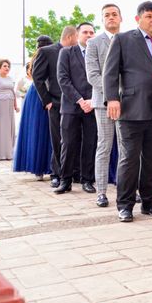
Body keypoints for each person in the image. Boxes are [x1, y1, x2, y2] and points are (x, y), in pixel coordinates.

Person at [103, 1, 152, 223]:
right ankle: (125, 205)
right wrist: (112, 99)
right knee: (129, 159)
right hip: (131, 110)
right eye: (149, 16)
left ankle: (149, 203)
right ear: (139, 19)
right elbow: (110, 73)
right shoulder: (123, 40)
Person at [86, 4, 122, 207]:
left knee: (127, 149)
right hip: (103, 103)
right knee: (104, 147)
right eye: (106, 15)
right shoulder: (94, 43)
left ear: (120, 18)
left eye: (114, 14)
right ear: (102, 20)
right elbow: (92, 75)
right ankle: (101, 192)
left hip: (128, 103)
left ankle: (126, 190)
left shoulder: (129, 40)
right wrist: (112, 95)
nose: (111, 18)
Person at [55, 22, 97, 194]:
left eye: (92, 32)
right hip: (71, 106)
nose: (88, 35)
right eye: (85, 32)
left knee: (90, 143)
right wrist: (80, 100)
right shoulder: (66, 53)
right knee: (68, 143)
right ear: (78, 35)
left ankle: (87, 180)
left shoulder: (98, 54)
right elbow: (63, 80)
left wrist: (92, 101)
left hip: (93, 105)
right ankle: (65, 180)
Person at [32, 27, 77, 188]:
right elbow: (37, 78)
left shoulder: (77, 52)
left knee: (73, 139)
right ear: (71, 37)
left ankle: (72, 173)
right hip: (56, 102)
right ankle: (56, 174)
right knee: (58, 139)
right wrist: (47, 100)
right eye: (77, 37)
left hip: (76, 103)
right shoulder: (47, 51)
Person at [13, 35, 54, 179]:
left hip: (33, 94)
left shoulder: (34, 58)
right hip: (42, 94)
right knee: (43, 130)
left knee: (36, 129)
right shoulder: (47, 55)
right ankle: (42, 167)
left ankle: (39, 169)